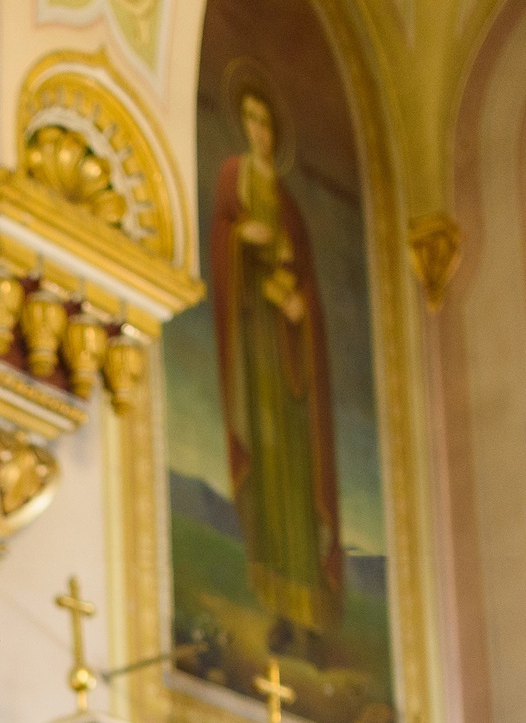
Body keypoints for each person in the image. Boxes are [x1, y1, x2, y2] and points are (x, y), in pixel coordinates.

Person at [210, 78, 342, 657]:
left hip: (289, 357)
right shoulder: (233, 175)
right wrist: (241, 236)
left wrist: (300, 308)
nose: (258, 131)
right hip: (255, 345)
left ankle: (310, 614)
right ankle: (279, 611)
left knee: (294, 472)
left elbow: (306, 278)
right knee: (265, 470)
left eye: (266, 121)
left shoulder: (287, 200)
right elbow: (219, 239)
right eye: (251, 119)